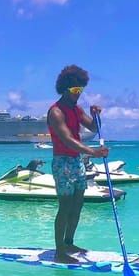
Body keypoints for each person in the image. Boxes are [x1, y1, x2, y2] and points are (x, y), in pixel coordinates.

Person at [47, 64, 109, 264]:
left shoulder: (76, 108)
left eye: (81, 90)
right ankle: (59, 252)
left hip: (76, 161)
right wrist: (94, 152)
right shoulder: (56, 112)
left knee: (78, 204)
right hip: (62, 162)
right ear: (65, 89)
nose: (78, 94)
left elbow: (93, 127)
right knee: (65, 206)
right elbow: (66, 139)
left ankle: (69, 242)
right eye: (75, 90)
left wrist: (96, 114)